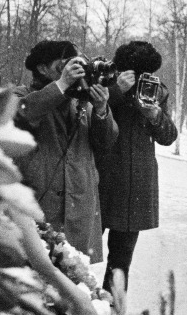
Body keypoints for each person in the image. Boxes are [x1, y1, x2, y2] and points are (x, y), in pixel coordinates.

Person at [13, 40, 118, 262]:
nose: (73, 71)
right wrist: (60, 86)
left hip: (78, 211)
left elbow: (106, 142)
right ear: (42, 68)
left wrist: (101, 109)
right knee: (35, 281)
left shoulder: (81, 101)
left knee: (76, 284)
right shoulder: (21, 95)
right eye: (64, 65)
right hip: (39, 208)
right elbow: (20, 115)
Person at [97, 41, 178, 292]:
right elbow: (89, 117)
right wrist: (116, 91)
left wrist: (154, 115)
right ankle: (73, 312)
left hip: (136, 185)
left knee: (120, 262)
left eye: (148, 75)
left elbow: (168, 136)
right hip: (101, 179)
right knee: (77, 252)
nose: (144, 80)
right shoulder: (103, 85)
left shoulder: (157, 92)